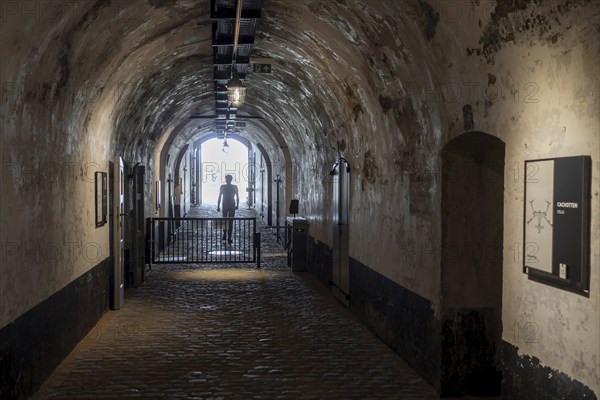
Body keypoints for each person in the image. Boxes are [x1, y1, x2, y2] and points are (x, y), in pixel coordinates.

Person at [216, 174, 239, 244]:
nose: (227, 180)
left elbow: (219, 196)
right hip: (231, 205)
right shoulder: (234, 187)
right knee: (230, 221)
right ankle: (228, 236)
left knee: (225, 220)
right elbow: (237, 197)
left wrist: (218, 206)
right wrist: (237, 205)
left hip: (225, 204)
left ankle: (225, 234)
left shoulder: (223, 187)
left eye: (227, 179)